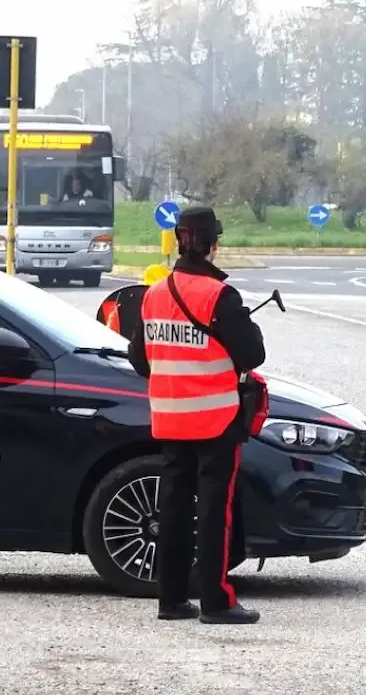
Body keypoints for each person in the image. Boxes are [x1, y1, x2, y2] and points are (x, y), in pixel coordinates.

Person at [127, 205, 266, 625]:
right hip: (215, 420)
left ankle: (170, 600)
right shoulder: (218, 296)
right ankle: (217, 602)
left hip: (170, 418)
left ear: (178, 240)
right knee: (213, 512)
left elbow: (140, 357)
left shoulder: (155, 294)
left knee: (170, 509)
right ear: (211, 244)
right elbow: (253, 353)